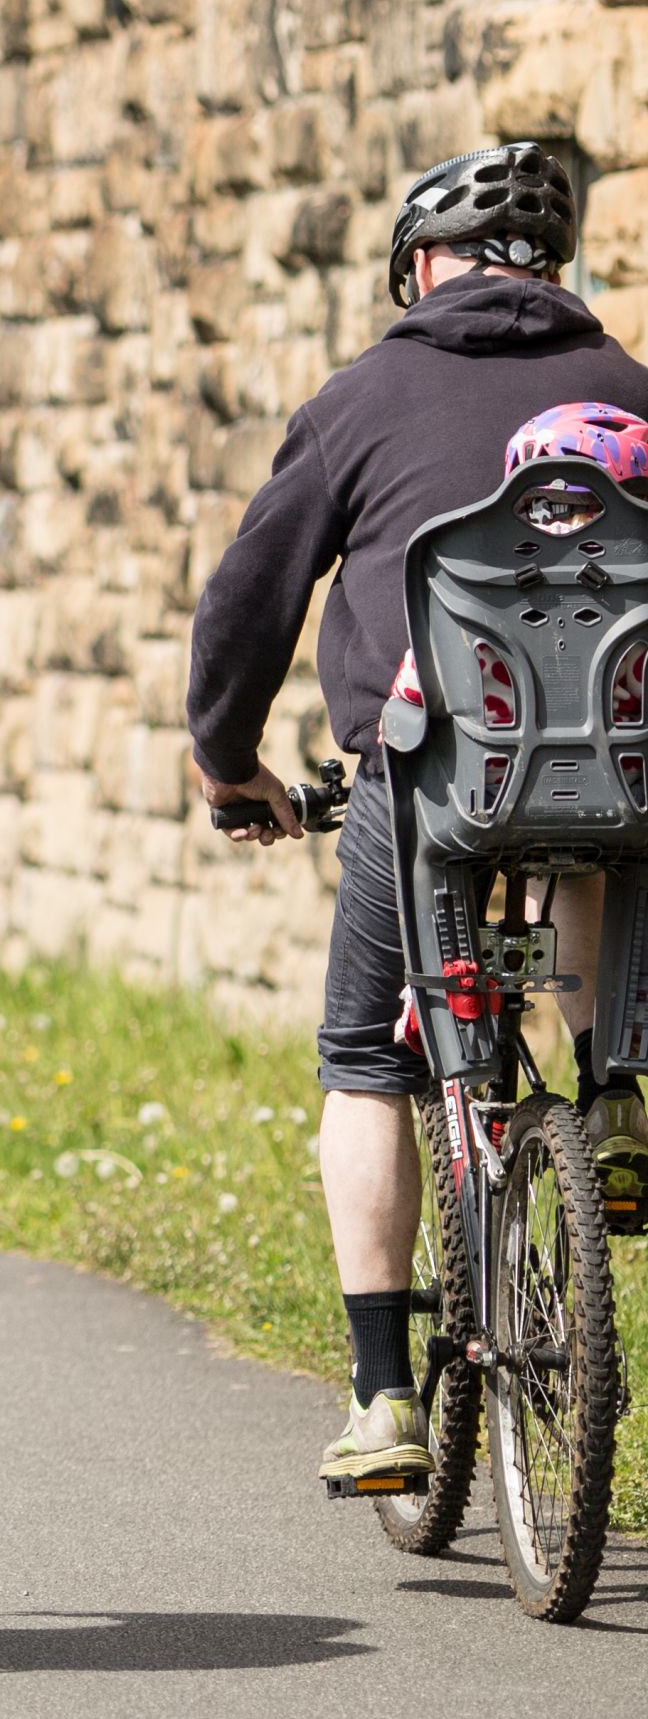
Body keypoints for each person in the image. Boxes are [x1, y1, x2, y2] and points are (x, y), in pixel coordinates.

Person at [189, 140, 648, 1491]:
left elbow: (247, 601)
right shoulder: (632, 390)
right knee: (595, 823)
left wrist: (230, 760)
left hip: (427, 772)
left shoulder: (365, 395)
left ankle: (384, 1391)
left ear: (424, 268)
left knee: (366, 1058)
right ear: (554, 270)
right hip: (622, 779)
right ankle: (613, 1098)